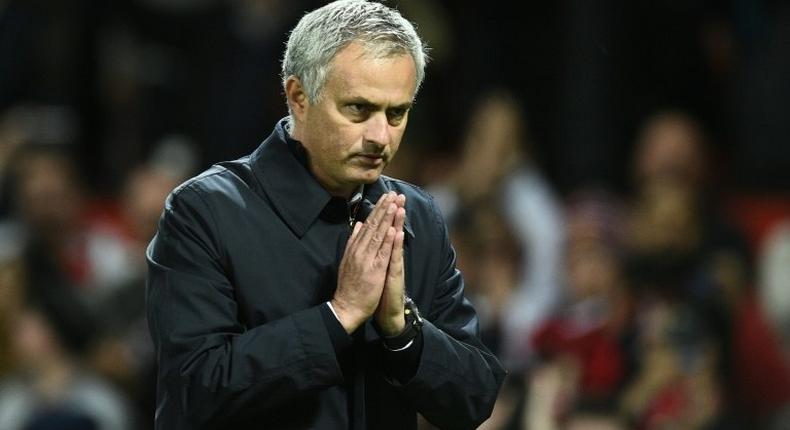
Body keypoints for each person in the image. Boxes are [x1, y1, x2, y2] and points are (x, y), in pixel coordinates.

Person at [145, 1, 506, 429]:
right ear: (299, 97)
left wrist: (402, 329)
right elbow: (194, 393)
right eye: (358, 109)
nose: (380, 136)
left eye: (397, 113)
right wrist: (339, 316)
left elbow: (475, 397)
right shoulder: (205, 211)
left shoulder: (418, 217)